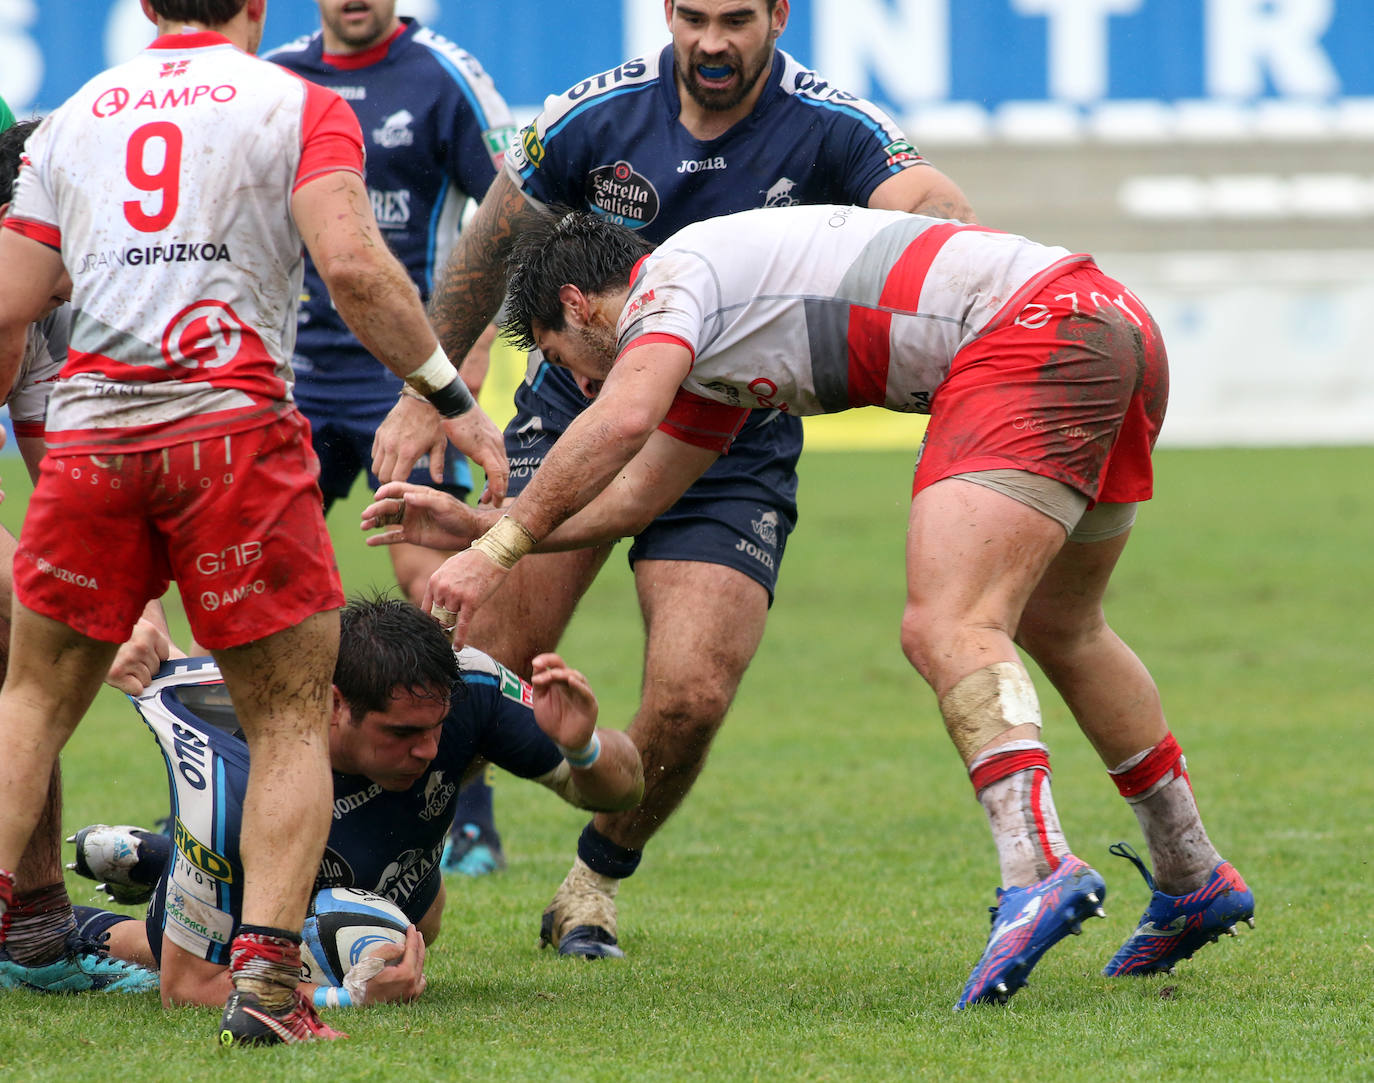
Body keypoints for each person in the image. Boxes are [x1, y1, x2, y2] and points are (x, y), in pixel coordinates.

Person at [370, 205, 1256, 1009]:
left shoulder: (669, 282)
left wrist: (497, 550)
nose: (585, 386)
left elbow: (623, 420)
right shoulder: (718, 351)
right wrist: (480, 520)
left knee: (947, 623)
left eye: (566, 360)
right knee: (1065, 628)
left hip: (1033, 333)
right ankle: (1190, 871)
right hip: (1112, 325)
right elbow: (637, 498)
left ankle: (1036, 870)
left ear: (583, 304)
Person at [369, 0, 976, 960]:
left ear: (779, 14)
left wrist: (941, 231)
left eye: (737, 19)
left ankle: (592, 883)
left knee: (691, 694)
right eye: (693, 17)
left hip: (735, 440)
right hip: (581, 413)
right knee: (476, 655)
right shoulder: (590, 117)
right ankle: (367, 867)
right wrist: (429, 395)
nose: (712, 42)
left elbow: (928, 205)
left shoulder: (833, 126)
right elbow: (487, 251)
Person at [0, 0, 507, 1047]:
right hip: (233, 438)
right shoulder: (298, 102)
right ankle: (269, 990)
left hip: (95, 438)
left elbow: (13, 298)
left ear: (146, 6)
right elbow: (357, 268)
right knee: (284, 716)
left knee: (33, 700)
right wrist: (450, 397)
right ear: (259, 5)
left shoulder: (73, 116)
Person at [65, 595, 643, 1010]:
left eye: (438, 727)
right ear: (335, 705)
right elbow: (187, 989)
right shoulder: (233, 779)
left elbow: (624, 792)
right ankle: (119, 903)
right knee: (184, 946)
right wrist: (344, 997)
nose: (430, 750)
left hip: (393, 887)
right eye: (401, 734)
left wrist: (584, 748)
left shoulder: (468, 687)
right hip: (245, 863)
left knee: (422, 918)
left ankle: (162, 858)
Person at [264, 0, 519, 876]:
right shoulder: (282, 78)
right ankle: (264, 780)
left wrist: (458, 379)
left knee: (432, 579)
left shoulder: (445, 77)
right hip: (292, 378)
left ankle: (461, 802)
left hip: (406, 379)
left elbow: (509, 225)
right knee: (262, 580)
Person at [0, 118, 160, 997]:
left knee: (19, 646)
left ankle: (34, 938)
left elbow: (62, 475)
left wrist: (133, 595)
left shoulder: (32, 314)